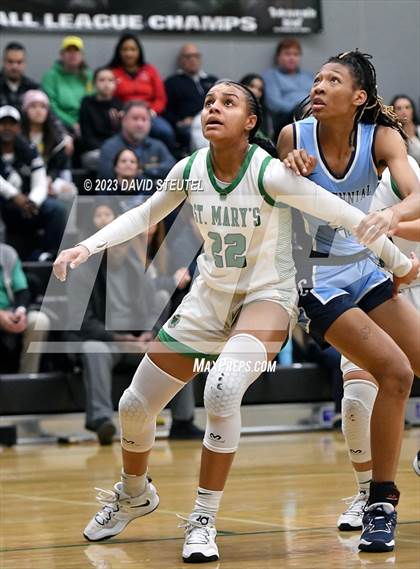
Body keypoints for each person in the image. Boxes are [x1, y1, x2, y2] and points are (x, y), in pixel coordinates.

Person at [53, 80, 416, 563]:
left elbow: (347, 215)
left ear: (250, 122)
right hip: (208, 299)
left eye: (227, 103)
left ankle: (203, 518)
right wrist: (85, 247)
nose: (213, 110)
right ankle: (134, 492)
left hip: (267, 298)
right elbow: (143, 213)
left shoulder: (271, 174)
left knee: (221, 388)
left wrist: (398, 262)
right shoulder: (188, 170)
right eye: (208, 103)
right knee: (134, 405)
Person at [278, 50, 420, 553]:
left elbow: (416, 194)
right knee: (396, 374)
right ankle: (380, 503)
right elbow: (277, 197)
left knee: (411, 367)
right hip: (315, 279)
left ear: (357, 97)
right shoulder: (294, 137)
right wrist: (288, 168)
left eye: (331, 79)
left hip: (364, 269)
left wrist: (393, 215)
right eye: (315, 78)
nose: (317, 85)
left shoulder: (381, 137)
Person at [335, 155, 420, 530]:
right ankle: (368, 496)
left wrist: (388, 226)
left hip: (411, 287)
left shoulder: (402, 168)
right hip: (361, 293)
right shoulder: (324, 169)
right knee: (355, 403)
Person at [0, 105, 67, 260]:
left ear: (18, 127)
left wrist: (32, 201)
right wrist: (14, 196)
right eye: (3, 124)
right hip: (5, 205)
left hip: (27, 205)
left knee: (56, 209)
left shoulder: (28, 149)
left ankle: (49, 255)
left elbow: (40, 180)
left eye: (12, 124)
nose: (7, 128)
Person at [108, 33, 175, 150]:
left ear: (139, 52)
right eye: (125, 49)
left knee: (166, 132)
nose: (129, 53)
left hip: (149, 114)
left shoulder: (150, 70)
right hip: (124, 115)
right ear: (119, 51)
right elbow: (109, 96)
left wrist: (152, 112)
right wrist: (120, 111)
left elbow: (161, 98)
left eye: (133, 49)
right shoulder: (112, 72)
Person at [0, 243, 50, 374]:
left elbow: (22, 290)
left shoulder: (6, 253)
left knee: (39, 321)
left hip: (9, 311)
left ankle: (28, 377)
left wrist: (20, 311)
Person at [21, 90, 77, 204]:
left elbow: (56, 166)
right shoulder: (19, 136)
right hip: (24, 180)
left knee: (69, 190)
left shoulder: (56, 137)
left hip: (48, 178)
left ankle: (67, 223)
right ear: (25, 110)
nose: (38, 111)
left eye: (43, 107)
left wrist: (49, 179)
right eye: (33, 106)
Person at [98, 100, 175, 181]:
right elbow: (109, 176)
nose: (140, 124)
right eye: (135, 118)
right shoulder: (110, 147)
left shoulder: (157, 146)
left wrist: (143, 169)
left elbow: (172, 169)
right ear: (123, 120)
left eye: (144, 119)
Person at [164, 43, 218, 152]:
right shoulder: (172, 82)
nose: (192, 60)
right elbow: (166, 110)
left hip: (214, 119)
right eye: (188, 57)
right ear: (180, 60)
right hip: (190, 125)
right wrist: (179, 122)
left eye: (196, 56)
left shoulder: (212, 80)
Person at [42, 36, 94, 137]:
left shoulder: (89, 76)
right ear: (61, 55)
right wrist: (71, 123)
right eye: (68, 51)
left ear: (82, 55)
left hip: (88, 124)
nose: (73, 54)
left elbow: (94, 101)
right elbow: (51, 106)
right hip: (59, 126)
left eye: (76, 51)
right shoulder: (50, 76)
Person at [263, 38, 313, 141]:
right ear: (278, 57)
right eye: (287, 54)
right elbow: (274, 104)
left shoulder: (308, 76)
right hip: (285, 120)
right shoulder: (271, 76)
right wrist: (301, 107)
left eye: (295, 54)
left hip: (312, 113)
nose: (292, 58)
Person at [80, 66, 123, 172]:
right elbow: (86, 135)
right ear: (94, 83)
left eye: (110, 80)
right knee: (107, 159)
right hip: (94, 150)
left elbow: (122, 136)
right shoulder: (87, 103)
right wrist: (107, 149)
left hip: (117, 150)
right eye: (102, 80)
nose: (106, 84)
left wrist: (118, 123)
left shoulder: (119, 104)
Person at [0, 42, 39, 110]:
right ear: (3, 62)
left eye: (19, 62)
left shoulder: (33, 88)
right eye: (10, 61)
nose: (14, 66)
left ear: (25, 63)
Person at [390, 94, 420, 165]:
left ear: (412, 110)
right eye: (399, 108)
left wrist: (412, 136)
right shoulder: (389, 133)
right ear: (393, 112)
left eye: (407, 107)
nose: (404, 112)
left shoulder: (418, 130)